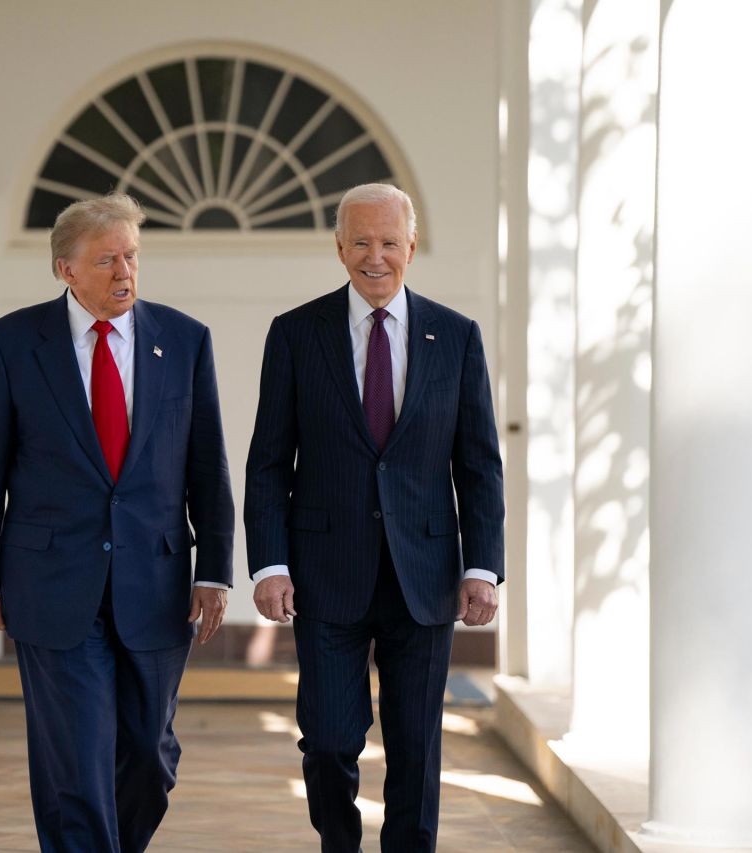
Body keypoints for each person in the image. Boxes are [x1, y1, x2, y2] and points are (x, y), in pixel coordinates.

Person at [0, 193, 234, 853]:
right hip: (50, 585)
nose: (124, 272)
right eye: (106, 259)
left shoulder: (185, 340)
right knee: (78, 765)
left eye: (131, 256)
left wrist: (216, 569)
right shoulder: (13, 344)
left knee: (150, 757)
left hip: (158, 582)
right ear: (65, 269)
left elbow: (208, 468)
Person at [245, 183, 504, 852]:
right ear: (339, 248)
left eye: (389, 242)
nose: (375, 256)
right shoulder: (296, 334)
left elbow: (478, 465)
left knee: (417, 748)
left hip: (426, 574)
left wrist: (483, 566)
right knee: (329, 737)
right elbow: (269, 462)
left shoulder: (456, 337)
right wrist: (269, 562)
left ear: (411, 247)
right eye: (361, 242)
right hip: (326, 573)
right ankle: (341, 843)